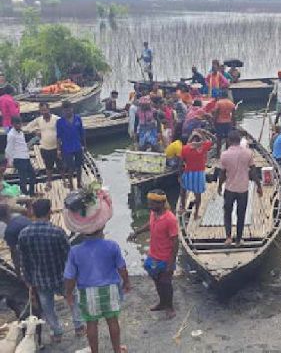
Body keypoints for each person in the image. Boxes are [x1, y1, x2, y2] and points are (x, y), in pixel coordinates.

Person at [18, 199, 85, 343]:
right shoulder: (57, 232)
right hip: (61, 276)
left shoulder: (24, 234)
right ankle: (79, 327)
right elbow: (69, 256)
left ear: (33, 213)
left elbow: (24, 261)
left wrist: (28, 280)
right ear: (49, 212)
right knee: (72, 299)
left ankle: (57, 332)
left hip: (40, 279)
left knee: (48, 307)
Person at [64, 228, 130, 353]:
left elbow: (70, 276)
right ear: (102, 227)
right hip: (110, 289)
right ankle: (117, 350)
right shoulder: (112, 246)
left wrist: (68, 293)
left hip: (87, 292)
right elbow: (121, 267)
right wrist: (126, 282)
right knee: (112, 321)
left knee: (91, 323)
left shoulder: (75, 251)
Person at [128, 190, 178, 319]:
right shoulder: (154, 214)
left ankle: (170, 307)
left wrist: (171, 263)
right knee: (157, 280)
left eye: (152, 203)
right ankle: (162, 302)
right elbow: (149, 225)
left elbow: (175, 242)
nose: (149, 205)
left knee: (166, 283)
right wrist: (137, 232)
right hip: (153, 255)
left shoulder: (170, 219)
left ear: (161, 203)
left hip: (165, 258)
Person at [218, 130, 262, 246]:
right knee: (241, 214)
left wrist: (219, 186)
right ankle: (238, 240)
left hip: (229, 189)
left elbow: (222, 174)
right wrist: (259, 185)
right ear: (239, 140)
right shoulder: (248, 153)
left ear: (229, 141)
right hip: (243, 189)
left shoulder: (224, 154)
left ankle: (228, 237)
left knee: (227, 212)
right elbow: (253, 171)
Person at [25, 102, 60, 191]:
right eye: (42, 111)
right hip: (45, 147)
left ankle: (64, 180)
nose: (44, 112)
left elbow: (63, 129)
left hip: (57, 147)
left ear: (49, 109)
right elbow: (28, 127)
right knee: (48, 167)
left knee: (61, 166)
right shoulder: (39, 120)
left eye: (45, 110)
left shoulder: (56, 119)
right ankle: (49, 182)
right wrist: (35, 131)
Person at [179, 131, 212, 219]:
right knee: (198, 196)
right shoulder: (202, 147)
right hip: (199, 174)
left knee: (183, 191)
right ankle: (196, 214)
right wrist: (203, 134)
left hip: (188, 172)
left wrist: (179, 175)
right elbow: (210, 141)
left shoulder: (185, 148)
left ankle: (182, 208)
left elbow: (180, 163)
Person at [57, 101, 86, 189]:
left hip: (77, 146)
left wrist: (84, 145)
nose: (67, 112)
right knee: (70, 167)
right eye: (65, 111)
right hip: (66, 147)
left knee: (79, 166)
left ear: (72, 109)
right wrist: (58, 149)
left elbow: (82, 133)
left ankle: (79, 183)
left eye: (69, 110)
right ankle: (71, 185)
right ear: (63, 111)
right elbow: (58, 137)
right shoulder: (60, 122)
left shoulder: (78, 119)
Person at [5, 116, 36, 196]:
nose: (18, 125)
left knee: (32, 174)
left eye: (19, 124)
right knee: (23, 178)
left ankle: (31, 192)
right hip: (18, 158)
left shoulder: (21, 132)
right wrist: (10, 161)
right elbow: (9, 149)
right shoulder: (11, 135)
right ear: (12, 124)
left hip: (25, 156)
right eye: (16, 124)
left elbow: (23, 145)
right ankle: (25, 195)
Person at [3, 204, 32, 277]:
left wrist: (17, 272)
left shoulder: (9, 231)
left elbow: (14, 253)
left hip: (31, 255)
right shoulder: (21, 218)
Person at [213, 91, 236, 156]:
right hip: (228, 122)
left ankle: (218, 154)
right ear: (227, 96)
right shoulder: (231, 103)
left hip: (219, 122)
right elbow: (234, 116)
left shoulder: (218, 103)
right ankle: (228, 153)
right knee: (228, 138)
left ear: (221, 96)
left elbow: (216, 114)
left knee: (219, 138)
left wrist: (214, 122)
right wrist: (234, 124)